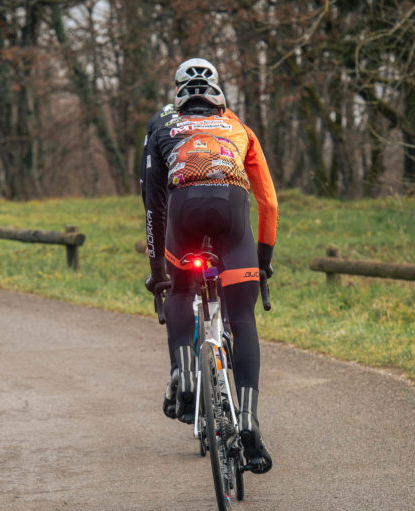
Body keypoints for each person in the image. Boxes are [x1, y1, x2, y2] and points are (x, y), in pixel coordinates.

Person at [143, 58, 278, 474]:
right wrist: (263, 261)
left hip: (183, 211)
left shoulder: (162, 125)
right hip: (233, 213)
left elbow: (152, 203)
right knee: (242, 318)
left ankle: (184, 376)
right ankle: (250, 420)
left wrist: (159, 274)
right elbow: (269, 203)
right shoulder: (240, 128)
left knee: (183, 289)